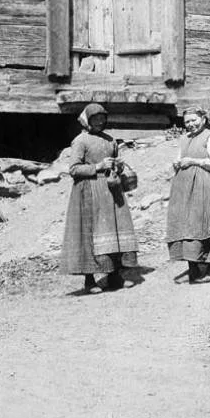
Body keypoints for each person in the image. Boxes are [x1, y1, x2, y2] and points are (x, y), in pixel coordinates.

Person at [59, 103, 138, 293]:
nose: (100, 122)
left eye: (102, 119)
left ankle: (114, 275)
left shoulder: (110, 140)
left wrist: (117, 166)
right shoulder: (80, 141)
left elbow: (115, 162)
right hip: (89, 190)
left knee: (114, 230)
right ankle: (90, 281)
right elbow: (73, 169)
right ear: (87, 120)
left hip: (111, 189)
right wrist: (98, 166)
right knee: (91, 232)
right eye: (95, 119)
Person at [166, 107, 210, 283]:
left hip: (206, 185)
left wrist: (193, 161)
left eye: (194, 120)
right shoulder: (184, 139)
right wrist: (177, 163)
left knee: (206, 222)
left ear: (203, 119)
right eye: (187, 121)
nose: (191, 124)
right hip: (184, 187)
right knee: (186, 224)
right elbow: (181, 157)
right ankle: (194, 269)